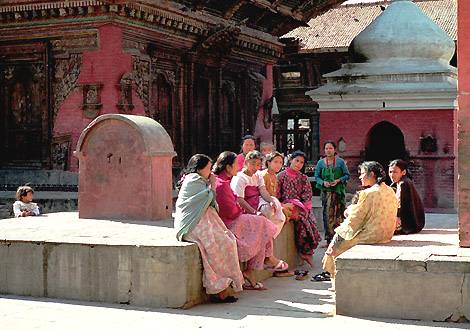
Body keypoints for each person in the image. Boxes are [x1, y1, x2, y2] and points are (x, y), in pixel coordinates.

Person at [213, 151, 289, 290]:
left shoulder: (233, 179)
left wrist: (270, 201)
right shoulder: (224, 183)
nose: (238, 167)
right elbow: (231, 210)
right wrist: (251, 212)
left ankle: (252, 270)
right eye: (236, 164)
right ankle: (269, 257)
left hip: (239, 215)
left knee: (261, 227)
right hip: (230, 221)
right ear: (229, 167)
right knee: (262, 224)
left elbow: (262, 192)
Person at [174, 154, 244, 303]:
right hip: (192, 225)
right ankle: (219, 289)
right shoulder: (193, 180)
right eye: (208, 168)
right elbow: (208, 198)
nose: (211, 171)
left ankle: (225, 285)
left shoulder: (200, 180)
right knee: (213, 245)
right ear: (199, 168)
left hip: (203, 221)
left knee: (228, 241)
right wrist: (212, 185)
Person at [322, 161, 398, 283]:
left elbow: (354, 221)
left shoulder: (368, 193)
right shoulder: (389, 190)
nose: (360, 177)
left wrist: (335, 244)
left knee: (336, 247)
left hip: (372, 235)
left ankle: (335, 278)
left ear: (371, 174)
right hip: (386, 233)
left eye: (362, 173)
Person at [278, 150, 321, 267]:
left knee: (310, 220)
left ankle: (308, 252)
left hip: (301, 206)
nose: (298, 164)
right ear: (291, 160)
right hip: (287, 206)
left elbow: (307, 195)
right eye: (296, 160)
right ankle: (305, 252)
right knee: (302, 221)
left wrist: (305, 208)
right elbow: (277, 194)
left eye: (301, 162)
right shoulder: (281, 176)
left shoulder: (303, 178)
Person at [231, 151, 286, 238]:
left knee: (275, 206)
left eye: (258, 164)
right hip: (246, 206)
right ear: (246, 163)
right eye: (253, 164)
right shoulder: (240, 178)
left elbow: (263, 190)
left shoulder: (258, 175)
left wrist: (271, 201)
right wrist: (255, 212)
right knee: (266, 211)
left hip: (257, 201)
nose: (255, 167)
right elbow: (239, 200)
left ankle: (271, 233)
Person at [314, 141, 350, 245]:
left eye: (330, 148)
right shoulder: (320, 163)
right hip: (326, 192)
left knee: (339, 213)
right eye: (326, 148)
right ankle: (329, 238)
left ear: (334, 150)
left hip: (338, 192)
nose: (328, 150)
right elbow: (317, 177)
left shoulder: (340, 162)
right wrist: (323, 182)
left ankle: (340, 238)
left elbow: (347, 175)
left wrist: (338, 180)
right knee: (327, 214)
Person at [258, 151, 294, 232]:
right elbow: (264, 194)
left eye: (281, 162)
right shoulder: (264, 175)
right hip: (264, 203)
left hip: (273, 202)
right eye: (275, 162)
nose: (278, 165)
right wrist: (281, 206)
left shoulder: (275, 176)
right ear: (269, 162)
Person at [388, 159, 425, 235]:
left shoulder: (403, 183)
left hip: (410, 225)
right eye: (390, 172)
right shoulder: (401, 182)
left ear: (403, 172)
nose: (392, 175)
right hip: (416, 223)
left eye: (395, 172)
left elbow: (400, 206)